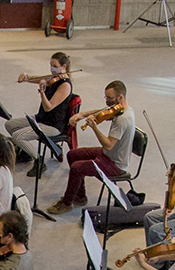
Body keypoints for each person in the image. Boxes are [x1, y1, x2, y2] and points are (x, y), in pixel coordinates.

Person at [48, 80, 136, 215]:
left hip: (115, 163)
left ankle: (67, 203)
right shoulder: (121, 109)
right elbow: (103, 111)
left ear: (120, 97)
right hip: (109, 154)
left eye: (110, 98)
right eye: (106, 97)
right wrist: (81, 115)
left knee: (76, 168)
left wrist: (94, 128)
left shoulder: (122, 119)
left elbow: (108, 144)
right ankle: (80, 196)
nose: (107, 101)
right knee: (73, 155)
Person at [4, 51, 74, 174]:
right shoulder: (54, 78)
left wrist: (42, 92)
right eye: (51, 65)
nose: (52, 69)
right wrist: (26, 77)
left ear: (64, 67)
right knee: (9, 125)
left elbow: (48, 107)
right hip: (41, 118)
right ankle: (25, 153)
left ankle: (39, 160)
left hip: (52, 125)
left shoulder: (65, 85)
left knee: (17, 136)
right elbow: (39, 79)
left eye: (55, 66)